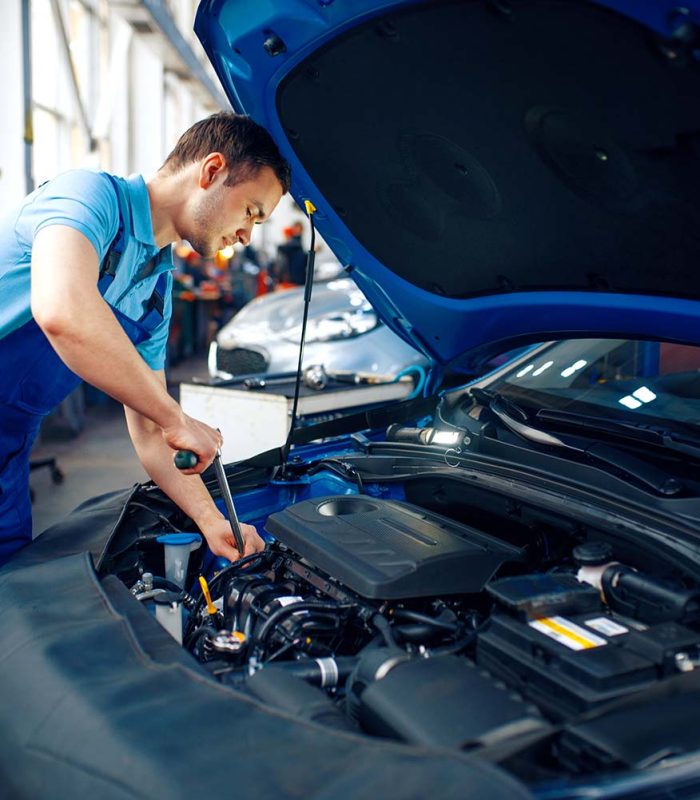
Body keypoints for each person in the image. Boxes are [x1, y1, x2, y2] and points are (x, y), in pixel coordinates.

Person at [0, 112, 291, 567]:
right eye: (251, 211)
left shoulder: (155, 292)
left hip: (10, 447)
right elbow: (61, 308)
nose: (246, 234)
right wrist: (176, 416)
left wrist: (211, 519)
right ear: (212, 171)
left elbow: (152, 433)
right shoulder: (89, 197)